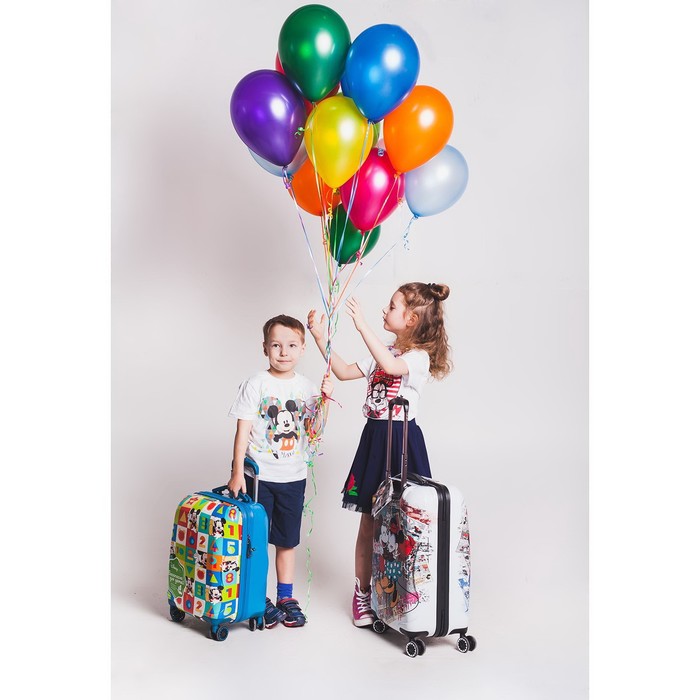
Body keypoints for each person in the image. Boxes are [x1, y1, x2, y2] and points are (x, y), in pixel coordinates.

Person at [307, 282, 452, 627]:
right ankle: (363, 594)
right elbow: (343, 372)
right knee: (369, 523)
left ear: (411, 319)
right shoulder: (383, 351)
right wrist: (319, 337)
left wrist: (361, 326)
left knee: (404, 523)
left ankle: (403, 595)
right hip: (374, 439)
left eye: (392, 306)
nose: (384, 310)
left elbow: (391, 365)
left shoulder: (417, 358)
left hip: (401, 442)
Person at [227, 314, 333, 629]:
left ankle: (285, 597)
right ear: (265, 348)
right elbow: (242, 431)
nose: (283, 352)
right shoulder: (256, 383)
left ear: (302, 348)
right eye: (276, 345)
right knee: (256, 541)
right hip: (259, 478)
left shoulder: (307, 387)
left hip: (293, 477)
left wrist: (325, 401)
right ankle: (257, 598)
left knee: (287, 541)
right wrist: (236, 472)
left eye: (291, 345)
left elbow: (315, 431)